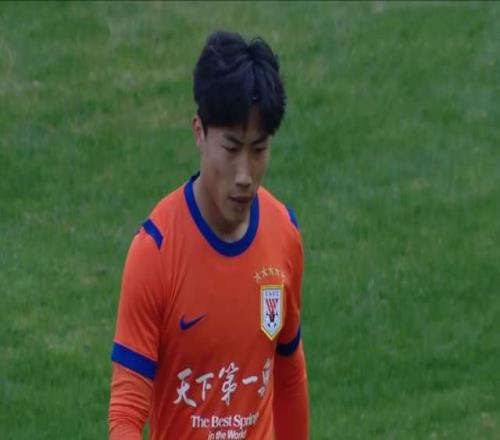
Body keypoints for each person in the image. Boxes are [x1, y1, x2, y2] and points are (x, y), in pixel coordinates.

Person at [108, 30, 309, 440]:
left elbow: (288, 372)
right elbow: (126, 414)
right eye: (231, 148)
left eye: (258, 149)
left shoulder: (283, 234)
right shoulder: (156, 251)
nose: (244, 175)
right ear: (199, 132)